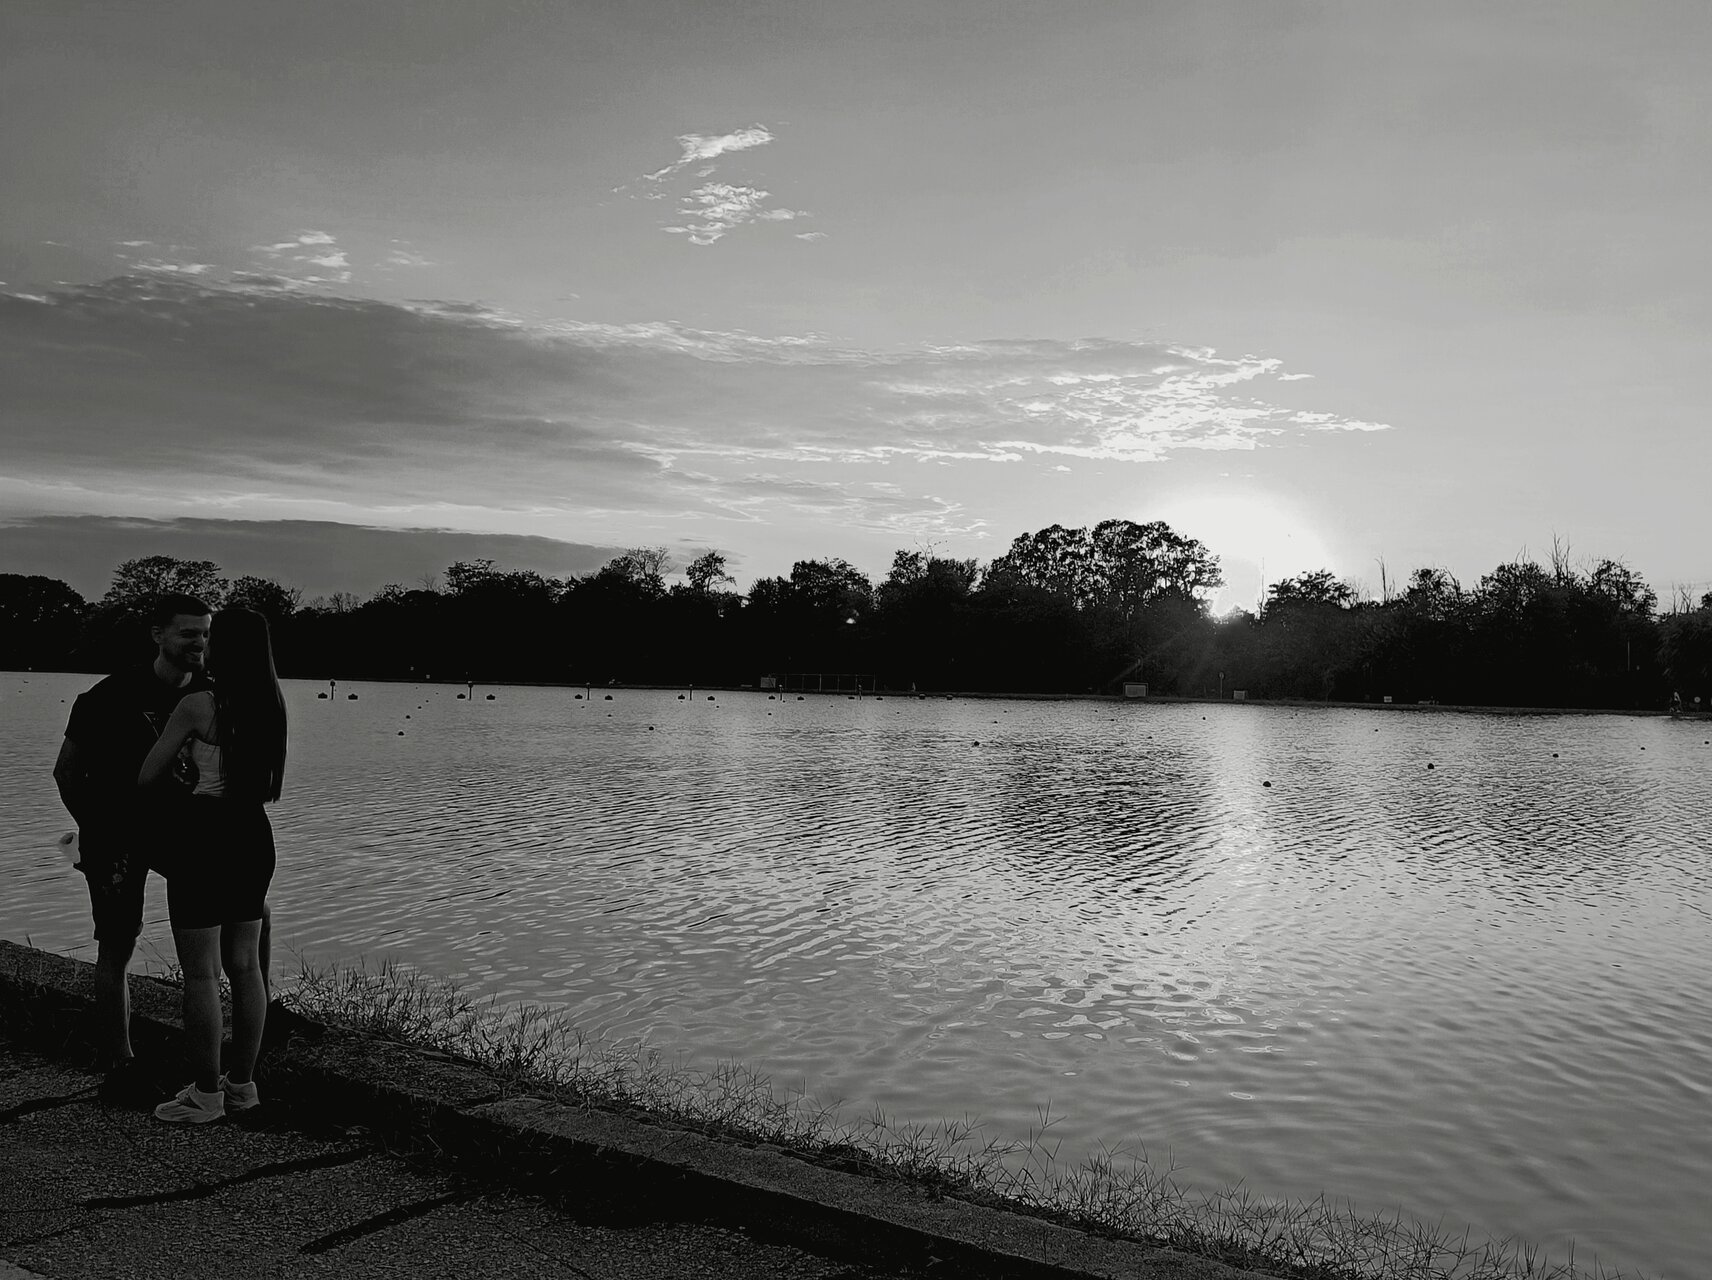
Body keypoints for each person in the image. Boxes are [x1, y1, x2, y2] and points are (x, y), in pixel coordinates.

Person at [51, 594, 223, 1103]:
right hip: (116, 838)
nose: (198, 643)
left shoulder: (214, 693)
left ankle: (249, 1030)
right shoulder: (109, 695)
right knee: (117, 944)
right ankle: (120, 1061)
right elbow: (66, 771)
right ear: (157, 635)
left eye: (205, 633)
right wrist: (95, 831)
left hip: (182, 836)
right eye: (187, 633)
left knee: (247, 912)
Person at [139, 607, 288, 1123]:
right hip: (252, 836)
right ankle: (242, 1086)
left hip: (202, 837)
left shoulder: (198, 705)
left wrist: (183, 763)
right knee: (246, 967)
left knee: (201, 975)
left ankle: (206, 1095)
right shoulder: (273, 704)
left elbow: (147, 776)